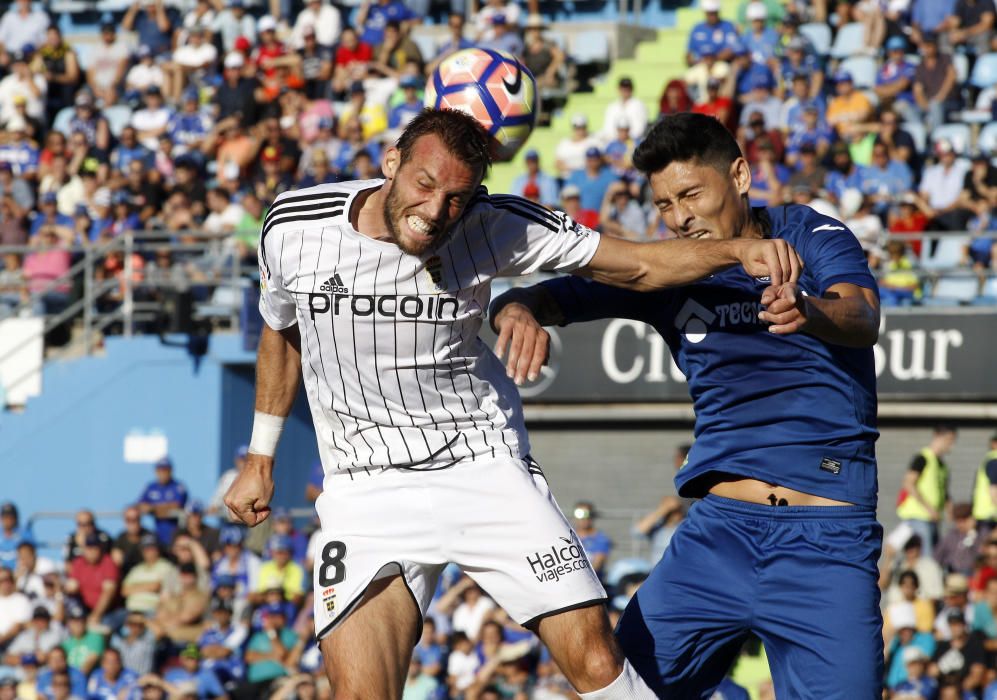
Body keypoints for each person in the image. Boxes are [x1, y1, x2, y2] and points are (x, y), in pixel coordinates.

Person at [222, 109, 800, 698]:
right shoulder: (293, 225)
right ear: (391, 164)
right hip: (365, 487)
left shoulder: (494, 223)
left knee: (596, 662)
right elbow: (281, 330)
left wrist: (735, 252)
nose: (435, 212)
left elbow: (639, 265)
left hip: (482, 465)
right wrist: (260, 458)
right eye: (425, 186)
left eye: (456, 197)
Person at [489, 112, 880, 697]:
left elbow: (863, 314)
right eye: (665, 203)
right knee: (618, 689)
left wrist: (811, 312)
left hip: (826, 542)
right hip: (717, 539)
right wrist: (516, 309)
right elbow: (544, 294)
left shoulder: (808, 235)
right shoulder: (665, 272)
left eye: (691, 194)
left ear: (740, 175)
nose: (680, 216)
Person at [897, 424, 958, 548]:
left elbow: (943, 491)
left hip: (933, 518)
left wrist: (950, 510)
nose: (951, 445)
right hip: (918, 516)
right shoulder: (923, 458)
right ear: (937, 436)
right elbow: (908, 483)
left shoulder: (942, 465)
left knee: (935, 555)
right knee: (926, 557)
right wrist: (929, 508)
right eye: (948, 440)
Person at [138, 456, 189, 545]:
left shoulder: (178, 487)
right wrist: (163, 508)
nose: (162, 473)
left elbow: (176, 506)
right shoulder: (151, 487)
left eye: (165, 470)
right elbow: (141, 506)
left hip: (176, 533)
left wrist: (153, 509)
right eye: (160, 470)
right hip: (157, 533)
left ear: (171, 471)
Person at [974, 434, 997, 537]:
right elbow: (993, 489)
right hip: (990, 517)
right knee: (987, 550)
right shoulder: (994, 461)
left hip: (987, 516)